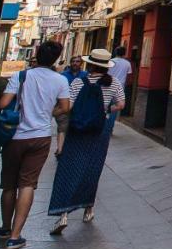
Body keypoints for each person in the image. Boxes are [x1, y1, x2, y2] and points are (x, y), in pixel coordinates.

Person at [0, 38, 72, 249]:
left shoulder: (21, 76)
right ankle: (15, 235)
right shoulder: (60, 80)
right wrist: (49, 113)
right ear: (56, 59)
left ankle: (4, 227)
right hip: (40, 137)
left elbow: (3, 104)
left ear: (37, 55)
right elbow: (65, 107)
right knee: (27, 184)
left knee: (9, 185)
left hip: (14, 136)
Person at [48, 49, 124, 234]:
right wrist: (105, 111)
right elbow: (121, 104)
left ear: (90, 64)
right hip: (100, 130)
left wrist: (51, 113)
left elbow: (69, 106)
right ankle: (89, 209)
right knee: (93, 168)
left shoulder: (78, 82)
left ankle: (63, 213)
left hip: (78, 129)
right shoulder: (113, 83)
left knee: (69, 168)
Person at [54, 56, 87, 156]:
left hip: (79, 106)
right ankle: (60, 150)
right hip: (64, 104)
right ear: (70, 63)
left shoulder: (85, 75)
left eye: (78, 61)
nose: (75, 63)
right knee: (62, 127)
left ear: (81, 63)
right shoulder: (63, 75)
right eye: (73, 61)